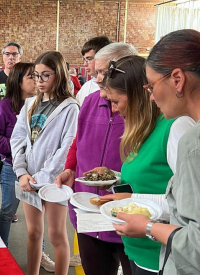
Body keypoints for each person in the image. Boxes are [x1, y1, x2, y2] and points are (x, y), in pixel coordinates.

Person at [106, 29, 200, 275]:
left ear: (177, 80)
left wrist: (148, 226)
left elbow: (195, 239)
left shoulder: (188, 135)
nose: (150, 96)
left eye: (151, 85)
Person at [54, 42, 139, 275]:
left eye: (105, 72)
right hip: (88, 207)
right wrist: (70, 168)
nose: (99, 79)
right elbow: (78, 140)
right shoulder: (91, 101)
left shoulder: (142, 111)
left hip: (125, 211)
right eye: (97, 72)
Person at [11, 51, 79, 275]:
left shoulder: (70, 107)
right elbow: (18, 138)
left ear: (58, 75)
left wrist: (41, 177)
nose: (39, 81)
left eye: (45, 76)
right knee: (33, 234)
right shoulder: (30, 103)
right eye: (36, 76)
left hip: (53, 180)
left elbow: (67, 147)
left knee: (56, 235)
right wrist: (21, 172)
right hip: (27, 178)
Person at [0, 62, 36, 246]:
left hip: (38, 168)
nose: (37, 80)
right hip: (11, 167)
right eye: (31, 76)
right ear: (18, 81)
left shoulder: (41, 105)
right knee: (7, 211)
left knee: (37, 215)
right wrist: (19, 147)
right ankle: (1, 250)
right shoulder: (4, 107)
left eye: (38, 75)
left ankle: (41, 253)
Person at [76, 36, 112, 105]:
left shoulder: (115, 88)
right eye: (84, 60)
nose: (85, 64)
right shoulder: (85, 87)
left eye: (89, 59)